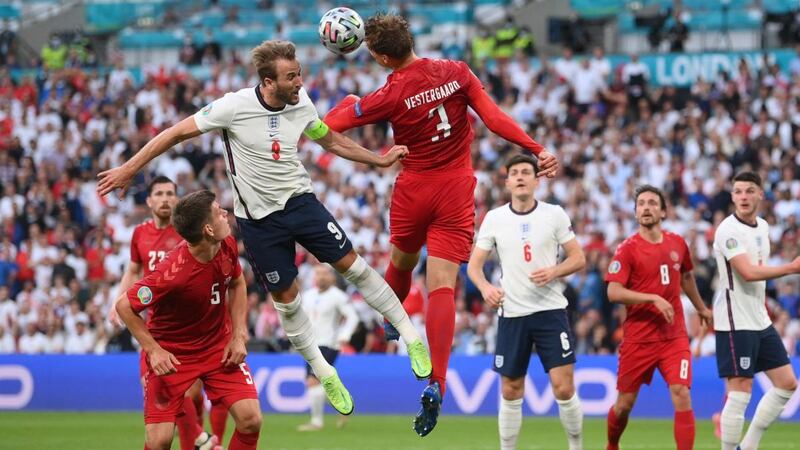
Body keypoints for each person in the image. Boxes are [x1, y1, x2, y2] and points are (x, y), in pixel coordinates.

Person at [97, 39, 432, 417]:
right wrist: (129, 168)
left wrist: (378, 160)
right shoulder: (233, 106)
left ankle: (410, 336)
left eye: (299, 73)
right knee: (287, 302)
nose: (300, 82)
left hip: (301, 202)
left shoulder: (301, 103)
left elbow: (330, 139)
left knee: (352, 266)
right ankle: (323, 372)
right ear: (268, 82)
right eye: (292, 77)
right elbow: (174, 133)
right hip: (258, 223)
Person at [323, 13, 558, 436]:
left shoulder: (388, 94)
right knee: (442, 286)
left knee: (401, 261)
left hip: (414, 189)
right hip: (455, 190)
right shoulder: (456, 72)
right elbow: (493, 117)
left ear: (379, 56)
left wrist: (349, 101)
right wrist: (535, 148)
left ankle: (393, 321)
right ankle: (439, 381)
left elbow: (331, 125)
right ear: (410, 39)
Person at [114, 190, 261, 450]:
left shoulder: (225, 243)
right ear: (208, 229)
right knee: (159, 441)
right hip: (173, 354)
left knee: (251, 420)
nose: (226, 214)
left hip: (218, 348)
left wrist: (238, 334)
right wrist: (154, 350)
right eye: (219, 212)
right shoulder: (172, 273)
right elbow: (125, 305)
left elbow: (237, 283)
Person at [467, 154, 585, 450]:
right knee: (510, 389)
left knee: (564, 387)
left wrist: (555, 271)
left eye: (526, 172)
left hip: (550, 311)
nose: (520, 177)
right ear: (507, 182)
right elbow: (474, 266)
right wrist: (484, 288)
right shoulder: (495, 218)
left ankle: (576, 445)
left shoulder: (554, 214)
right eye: (515, 173)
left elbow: (578, 257)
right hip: (513, 313)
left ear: (536, 180)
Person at [111, 175, 224, 450]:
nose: (165, 198)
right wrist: (119, 300)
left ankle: (197, 437)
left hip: (189, 326)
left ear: (177, 200)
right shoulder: (140, 234)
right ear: (149, 201)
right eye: (159, 193)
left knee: (192, 395)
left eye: (170, 193)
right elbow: (134, 270)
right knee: (155, 395)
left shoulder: (187, 231)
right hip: (154, 324)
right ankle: (200, 437)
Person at [604, 185, 713, 450]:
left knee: (682, 394)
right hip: (638, 338)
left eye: (652, 203)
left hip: (672, 336)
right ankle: (612, 445)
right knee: (624, 405)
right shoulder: (627, 249)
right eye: (641, 203)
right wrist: (652, 298)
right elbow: (613, 292)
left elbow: (686, 276)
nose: (646, 207)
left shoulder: (677, 243)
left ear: (663, 211)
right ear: (635, 212)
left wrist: (701, 308)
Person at [712, 171, 799, 450]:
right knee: (740, 394)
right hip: (735, 321)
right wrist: (791, 268)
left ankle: (748, 446)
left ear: (761, 194)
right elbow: (748, 273)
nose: (743, 197)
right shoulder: (727, 230)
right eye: (738, 192)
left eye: (749, 191)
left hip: (759, 320)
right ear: (732, 196)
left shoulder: (762, 227)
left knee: (787, 384)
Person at [297, 264, 359, 431]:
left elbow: (352, 317)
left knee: (313, 381)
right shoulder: (307, 296)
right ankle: (343, 403)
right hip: (310, 344)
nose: (321, 277)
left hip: (329, 343)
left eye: (325, 273)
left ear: (331, 277)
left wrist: (344, 334)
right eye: (318, 273)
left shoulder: (338, 296)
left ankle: (317, 422)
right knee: (320, 382)